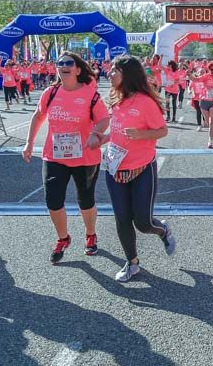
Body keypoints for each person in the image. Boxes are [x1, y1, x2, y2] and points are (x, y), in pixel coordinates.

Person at [23, 52, 110, 263]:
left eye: (68, 63)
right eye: (60, 63)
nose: (63, 66)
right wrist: (29, 142)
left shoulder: (90, 94)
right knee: (53, 201)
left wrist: (94, 134)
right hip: (55, 156)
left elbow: (104, 120)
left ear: (78, 69)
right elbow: (38, 115)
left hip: (85, 157)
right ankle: (63, 238)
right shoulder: (50, 92)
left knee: (85, 200)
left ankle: (90, 235)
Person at [103, 56, 175, 282]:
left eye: (115, 70)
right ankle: (132, 263)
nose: (110, 74)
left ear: (128, 75)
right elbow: (117, 132)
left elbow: (162, 131)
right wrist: (101, 139)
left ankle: (163, 230)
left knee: (143, 223)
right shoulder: (116, 98)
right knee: (122, 219)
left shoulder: (145, 102)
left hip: (142, 168)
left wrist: (142, 134)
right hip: (115, 168)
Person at [193, 62, 213, 148]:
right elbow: (195, 79)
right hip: (204, 101)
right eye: (212, 69)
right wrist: (189, 74)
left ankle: (210, 141)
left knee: (212, 121)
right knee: (207, 122)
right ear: (209, 69)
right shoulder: (205, 76)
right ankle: (210, 127)